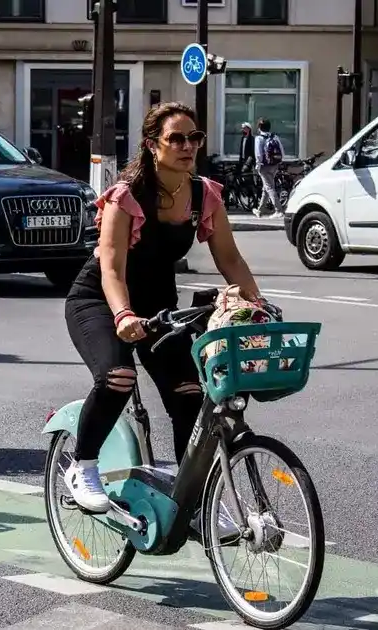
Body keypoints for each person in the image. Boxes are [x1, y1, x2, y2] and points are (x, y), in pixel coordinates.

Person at [63, 102, 262, 513]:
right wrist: (123, 315)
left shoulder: (203, 195)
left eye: (195, 138)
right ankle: (83, 466)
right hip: (101, 301)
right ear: (153, 145)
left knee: (190, 394)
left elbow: (230, 259)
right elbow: (111, 268)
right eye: (177, 138)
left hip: (158, 309)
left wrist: (256, 306)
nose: (188, 146)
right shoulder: (127, 197)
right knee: (118, 376)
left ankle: (194, 504)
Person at [253, 117, 286, 218]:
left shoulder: (259, 138)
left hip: (264, 166)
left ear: (259, 127)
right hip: (274, 165)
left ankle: (278, 210)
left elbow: (258, 154)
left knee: (269, 187)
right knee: (266, 187)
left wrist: (258, 165)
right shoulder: (274, 137)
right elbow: (282, 151)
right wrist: (280, 161)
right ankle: (260, 210)